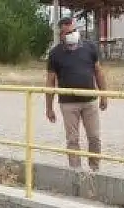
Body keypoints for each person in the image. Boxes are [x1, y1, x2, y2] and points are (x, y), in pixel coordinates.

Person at [46, 17, 109, 171]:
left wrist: (104, 95)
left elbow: (98, 72)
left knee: (94, 137)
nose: (72, 34)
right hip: (68, 103)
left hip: (90, 101)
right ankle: (76, 171)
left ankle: (95, 169)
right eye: (67, 32)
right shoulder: (55, 53)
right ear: (61, 34)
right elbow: (50, 81)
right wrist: (49, 107)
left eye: (74, 31)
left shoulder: (90, 47)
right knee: (72, 139)